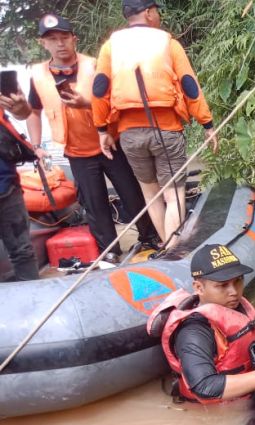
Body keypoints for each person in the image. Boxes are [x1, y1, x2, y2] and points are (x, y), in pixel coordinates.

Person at [19, 14, 159, 261]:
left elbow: (117, 100)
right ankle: (110, 252)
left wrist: (87, 104)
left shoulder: (95, 65)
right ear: (43, 43)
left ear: (75, 39)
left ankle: (150, 239)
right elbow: (34, 111)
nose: (59, 43)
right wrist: (36, 146)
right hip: (76, 151)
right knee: (95, 205)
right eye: (52, 39)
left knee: (132, 193)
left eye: (64, 37)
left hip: (110, 143)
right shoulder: (38, 75)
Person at [92, 0, 218, 248]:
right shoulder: (168, 43)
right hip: (166, 129)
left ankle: (164, 246)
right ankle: (172, 250)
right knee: (173, 194)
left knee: (151, 195)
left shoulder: (110, 47)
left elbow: (99, 90)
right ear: (148, 13)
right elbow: (189, 84)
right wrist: (207, 124)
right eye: (156, 10)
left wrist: (102, 130)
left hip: (129, 134)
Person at [147, 244, 255, 403]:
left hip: (251, 394)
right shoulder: (194, 330)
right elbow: (204, 387)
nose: (234, 291)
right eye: (222, 285)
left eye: (238, 281)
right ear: (199, 288)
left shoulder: (237, 308)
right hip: (214, 411)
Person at [0, 94, 40, 281]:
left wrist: (20, 106)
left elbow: (23, 113)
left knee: (22, 251)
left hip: (7, 186)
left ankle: (33, 303)